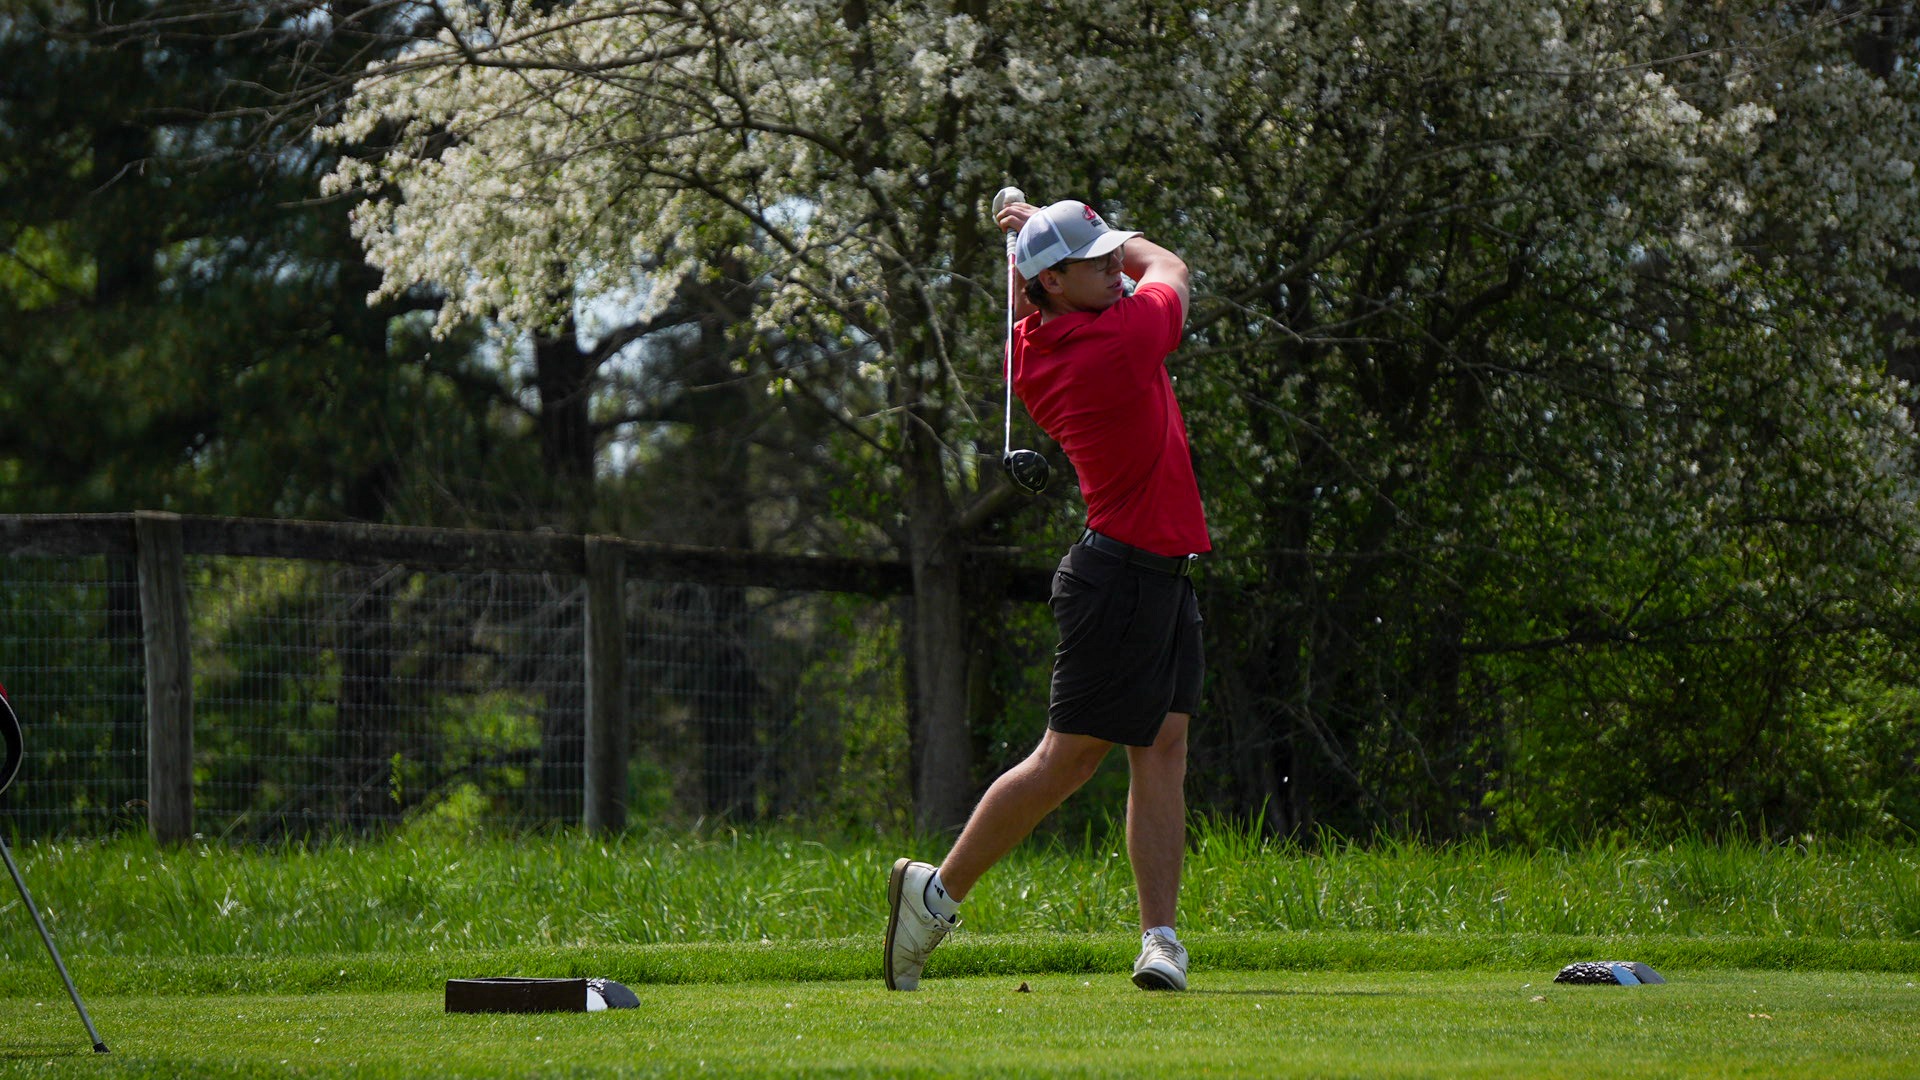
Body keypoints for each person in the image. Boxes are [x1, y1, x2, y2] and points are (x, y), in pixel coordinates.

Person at [885, 198, 1209, 992]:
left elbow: (1036, 277)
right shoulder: (1121, 342)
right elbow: (1169, 268)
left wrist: (1031, 233)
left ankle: (1160, 940)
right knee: (1066, 762)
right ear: (1056, 282)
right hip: (1121, 579)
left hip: (1160, 573)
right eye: (1094, 260)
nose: (1113, 267)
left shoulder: (1035, 342)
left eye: (1107, 255)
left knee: (1162, 749)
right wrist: (1100, 234)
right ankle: (933, 896)